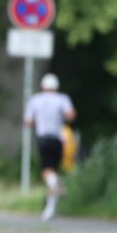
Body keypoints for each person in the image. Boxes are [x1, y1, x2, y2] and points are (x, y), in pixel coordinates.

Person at [24, 73, 76, 221]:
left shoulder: (35, 100)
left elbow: (28, 121)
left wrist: (39, 123)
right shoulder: (62, 99)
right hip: (58, 139)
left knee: (47, 172)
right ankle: (49, 210)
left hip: (43, 138)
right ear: (56, 86)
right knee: (54, 171)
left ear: (43, 86)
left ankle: (56, 187)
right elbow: (71, 115)